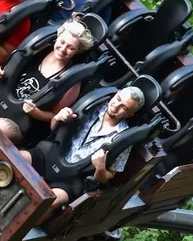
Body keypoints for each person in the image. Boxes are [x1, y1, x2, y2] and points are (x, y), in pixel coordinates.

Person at [19, 86, 145, 222]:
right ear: (116, 94)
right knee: (19, 159)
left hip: (74, 177)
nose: (116, 106)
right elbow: (54, 130)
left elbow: (106, 178)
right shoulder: (91, 106)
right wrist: (57, 119)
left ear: (129, 115)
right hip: (52, 155)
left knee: (51, 201)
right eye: (118, 99)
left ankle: (21, 227)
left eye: (124, 108)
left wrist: (100, 167)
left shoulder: (123, 139)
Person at [0, 20, 95, 142]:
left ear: (77, 51)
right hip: (0, 99)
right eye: (62, 42)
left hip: (19, 120)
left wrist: (35, 112)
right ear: (57, 37)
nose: (63, 49)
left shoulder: (72, 79)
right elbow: (11, 67)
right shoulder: (40, 49)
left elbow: (54, 116)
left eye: (70, 48)